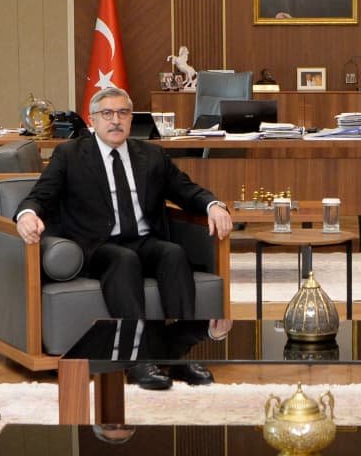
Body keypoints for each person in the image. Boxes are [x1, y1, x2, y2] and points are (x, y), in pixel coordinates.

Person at [15, 86, 234, 390]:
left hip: (143, 240)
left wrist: (214, 205)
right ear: (92, 120)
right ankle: (136, 361)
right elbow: (40, 196)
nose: (115, 120)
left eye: (123, 113)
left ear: (132, 119)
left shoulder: (151, 155)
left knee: (173, 253)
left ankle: (178, 356)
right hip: (97, 247)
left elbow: (186, 190)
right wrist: (27, 215)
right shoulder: (70, 155)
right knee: (123, 259)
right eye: (107, 113)